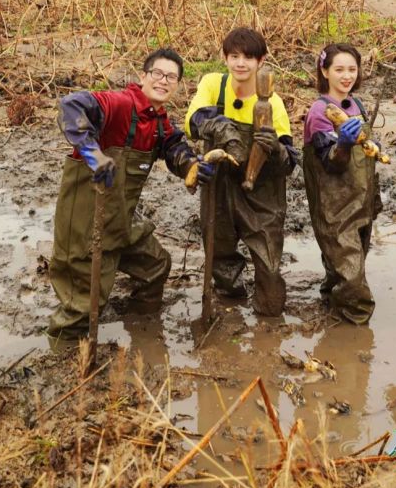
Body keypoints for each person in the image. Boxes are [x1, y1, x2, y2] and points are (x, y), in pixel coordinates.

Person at [48, 47, 213, 343]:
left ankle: (142, 332)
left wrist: (192, 165)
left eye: (171, 78)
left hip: (121, 220)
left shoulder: (159, 122)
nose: (163, 81)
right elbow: (70, 106)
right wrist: (92, 154)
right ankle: (64, 358)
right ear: (143, 76)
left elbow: (175, 147)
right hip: (86, 224)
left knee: (156, 266)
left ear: (177, 85)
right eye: (158, 74)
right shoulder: (120, 104)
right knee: (83, 306)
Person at [185, 27, 297, 315]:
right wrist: (224, 131)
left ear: (261, 61)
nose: (241, 64)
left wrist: (274, 148)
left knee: (269, 269)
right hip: (219, 184)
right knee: (219, 249)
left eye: (248, 57)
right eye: (234, 56)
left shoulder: (272, 103)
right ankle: (230, 300)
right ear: (224, 58)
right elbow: (192, 121)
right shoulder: (213, 85)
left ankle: (267, 313)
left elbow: (289, 163)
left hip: (262, 191)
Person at [302, 43, 381, 324]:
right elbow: (330, 162)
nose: (346, 76)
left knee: (347, 265)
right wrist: (344, 145)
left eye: (352, 69)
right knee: (353, 279)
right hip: (334, 206)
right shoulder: (319, 112)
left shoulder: (356, 104)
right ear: (325, 71)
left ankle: (331, 301)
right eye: (339, 70)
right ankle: (355, 333)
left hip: (361, 201)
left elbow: (366, 156)